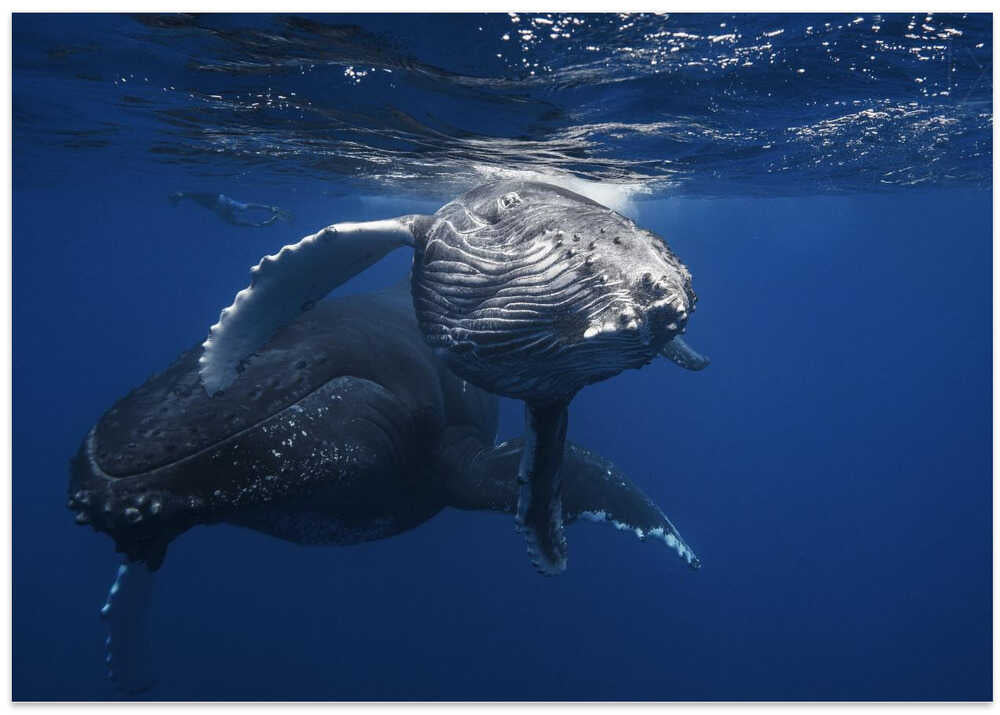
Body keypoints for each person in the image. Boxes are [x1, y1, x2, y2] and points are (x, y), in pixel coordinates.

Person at [168, 192, 293, 227]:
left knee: (233, 221)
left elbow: (188, 195)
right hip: (221, 198)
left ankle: (260, 225)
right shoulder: (192, 194)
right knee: (243, 207)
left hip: (217, 205)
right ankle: (270, 208)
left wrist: (180, 196)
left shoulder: (189, 195)